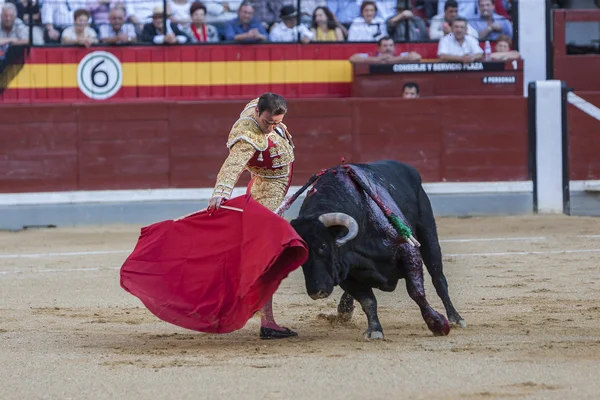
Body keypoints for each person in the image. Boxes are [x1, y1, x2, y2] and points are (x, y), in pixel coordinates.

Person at [207, 92, 298, 340]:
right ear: (257, 112)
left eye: (277, 123)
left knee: (258, 249)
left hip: (265, 181)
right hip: (269, 188)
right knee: (267, 254)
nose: (270, 128)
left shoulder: (262, 105)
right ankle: (266, 321)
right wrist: (221, 192)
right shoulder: (247, 134)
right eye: (267, 122)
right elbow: (233, 163)